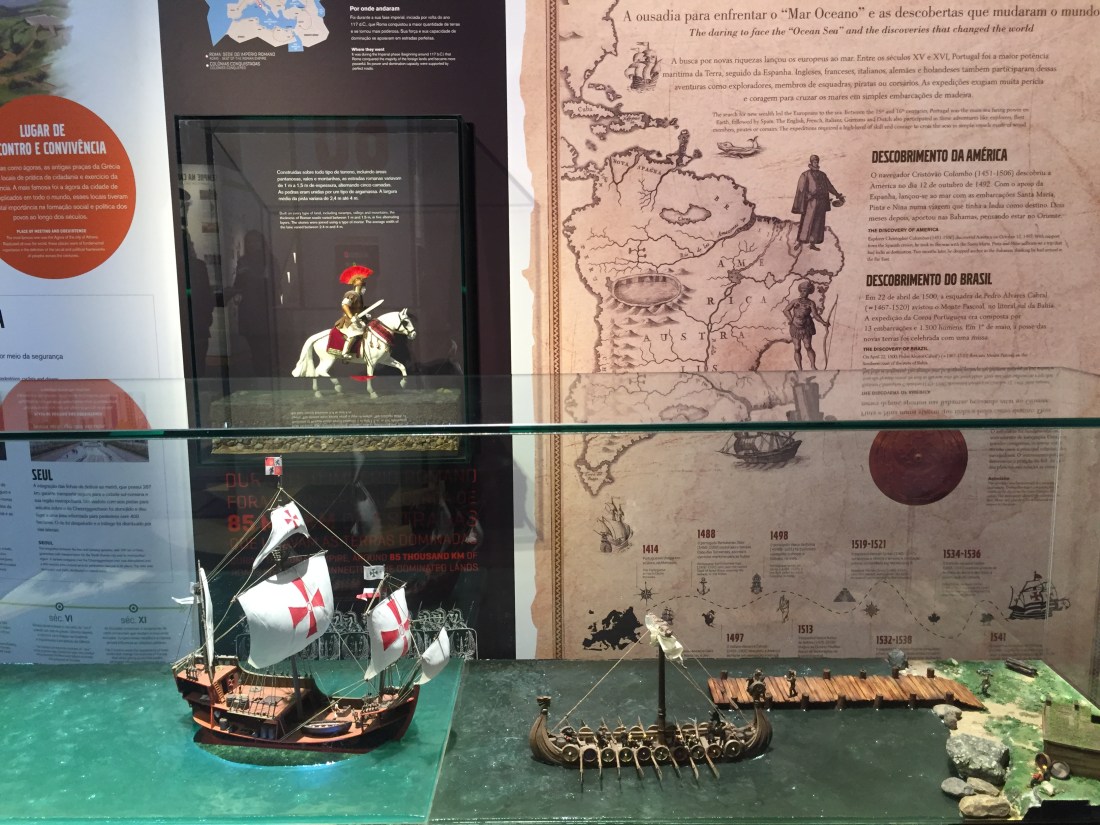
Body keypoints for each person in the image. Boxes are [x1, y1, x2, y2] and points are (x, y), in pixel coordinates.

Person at [791, 154, 843, 250]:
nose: (816, 163)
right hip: (810, 203)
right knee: (806, 222)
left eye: (817, 161)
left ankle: (812, 244)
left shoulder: (822, 175)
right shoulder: (805, 174)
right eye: (814, 161)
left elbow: (829, 186)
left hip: (821, 202)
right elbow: (801, 189)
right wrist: (808, 195)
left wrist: (837, 194)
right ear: (811, 162)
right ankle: (800, 242)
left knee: (817, 224)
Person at [784, 280, 829, 370]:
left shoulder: (811, 303)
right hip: (795, 326)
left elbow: (815, 315)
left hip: (806, 326)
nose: (802, 293)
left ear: (808, 292)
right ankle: (800, 369)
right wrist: (791, 319)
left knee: (808, 346)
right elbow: (786, 310)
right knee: (797, 348)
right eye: (801, 291)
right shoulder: (795, 301)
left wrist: (823, 322)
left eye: (804, 291)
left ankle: (813, 366)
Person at [335, 265, 374, 358]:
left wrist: (365, 314)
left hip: (358, 319)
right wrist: (351, 317)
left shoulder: (359, 296)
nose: (364, 288)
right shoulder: (351, 294)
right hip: (349, 320)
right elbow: (344, 305)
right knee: (356, 332)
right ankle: (345, 352)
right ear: (358, 286)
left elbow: (359, 309)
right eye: (363, 286)